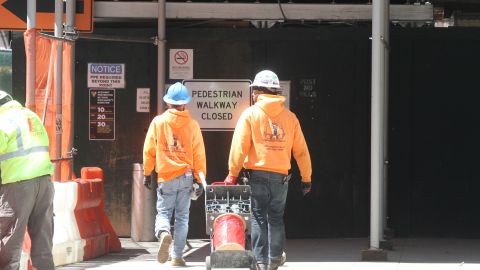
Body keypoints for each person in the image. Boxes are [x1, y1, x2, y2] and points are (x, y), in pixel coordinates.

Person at [224, 70, 312, 270]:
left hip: (257, 176)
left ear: (259, 91)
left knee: (258, 217)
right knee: (276, 218)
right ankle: (274, 260)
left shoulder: (250, 114)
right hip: (281, 177)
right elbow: (301, 151)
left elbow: (239, 146)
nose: (253, 94)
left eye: (254, 90)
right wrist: (306, 178)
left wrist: (232, 173)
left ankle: (261, 262)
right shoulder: (290, 118)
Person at [143, 82, 207, 267]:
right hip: (186, 177)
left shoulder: (158, 122)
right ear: (185, 103)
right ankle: (177, 257)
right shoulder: (192, 125)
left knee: (163, 212)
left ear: (168, 103)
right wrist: (199, 178)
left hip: (166, 177)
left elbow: (149, 149)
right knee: (182, 218)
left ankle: (163, 233)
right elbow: (199, 154)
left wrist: (147, 172)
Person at [0, 90, 55, 270]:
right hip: (45, 182)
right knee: (43, 239)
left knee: (9, 240)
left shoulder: (3, 120)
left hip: (19, 185)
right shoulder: (31, 116)